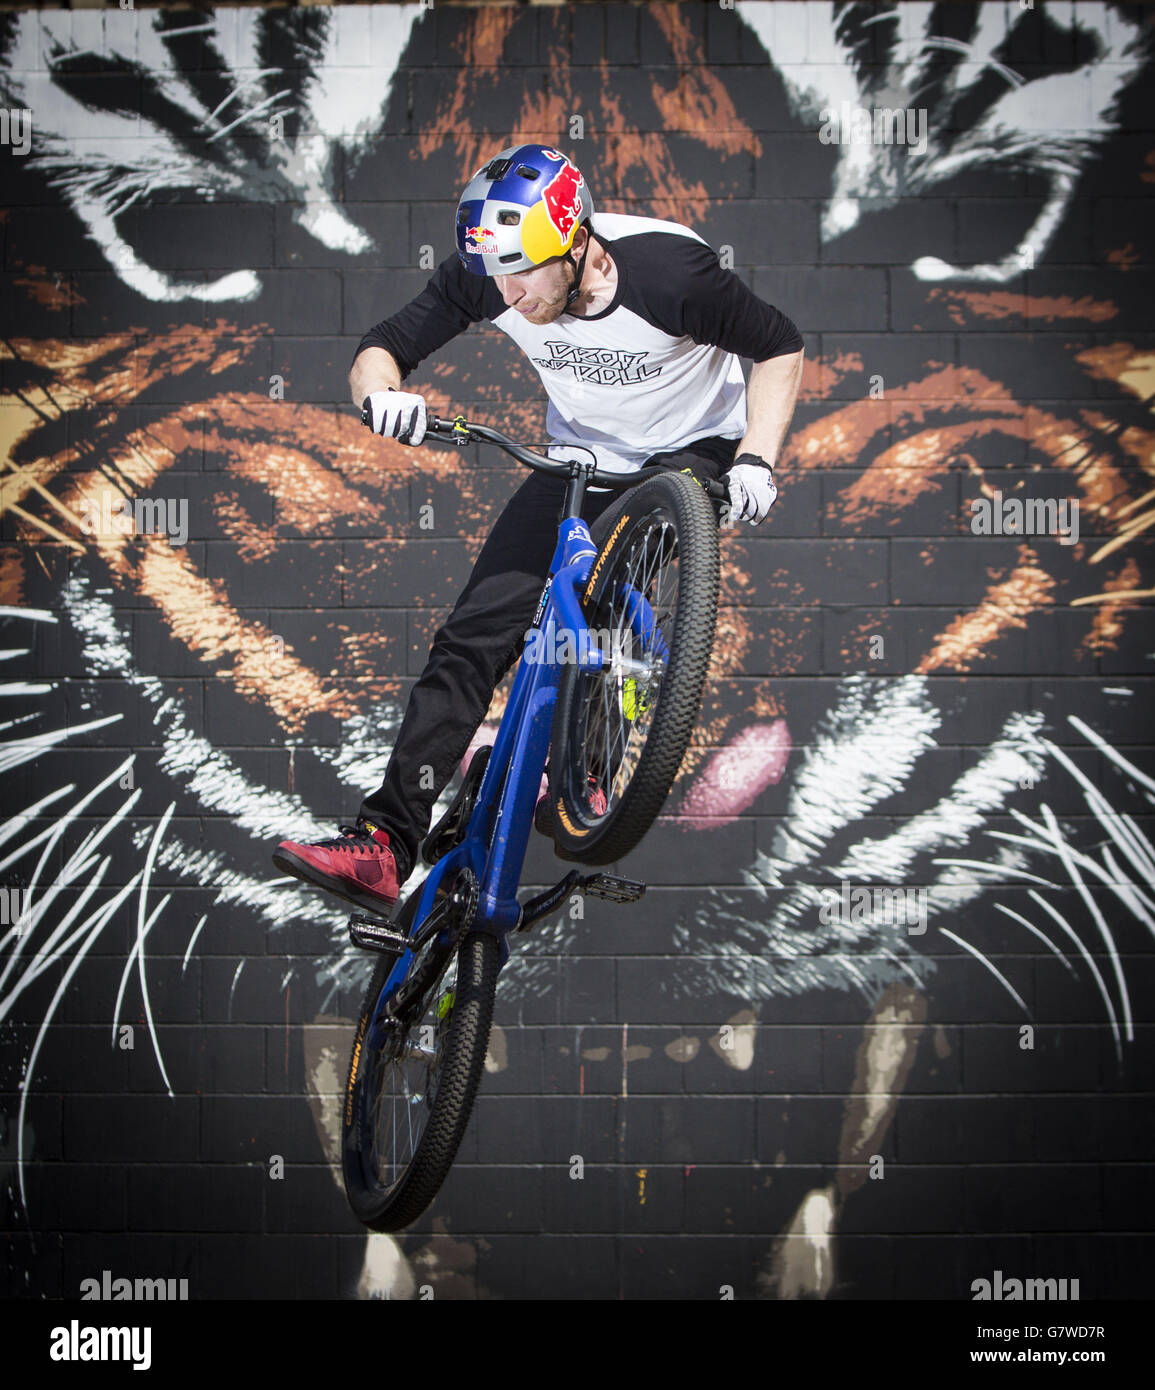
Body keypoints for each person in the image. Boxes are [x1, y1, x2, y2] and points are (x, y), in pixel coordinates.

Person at [273, 143, 804, 915]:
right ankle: (385, 842)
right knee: (472, 636)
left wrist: (757, 457)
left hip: (696, 448)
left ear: (577, 242)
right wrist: (380, 394)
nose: (509, 294)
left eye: (524, 272)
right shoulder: (489, 278)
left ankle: (588, 753)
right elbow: (383, 348)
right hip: (582, 456)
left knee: (616, 584)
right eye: (495, 276)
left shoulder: (672, 276)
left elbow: (779, 345)